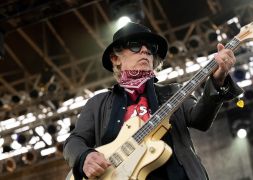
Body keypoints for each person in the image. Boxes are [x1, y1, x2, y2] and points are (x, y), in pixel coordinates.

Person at [63, 22, 243, 180]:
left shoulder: (173, 92)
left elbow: (200, 120)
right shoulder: (98, 103)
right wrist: (85, 157)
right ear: (115, 58)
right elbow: (74, 141)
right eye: (135, 46)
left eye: (150, 48)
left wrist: (217, 81)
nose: (145, 50)